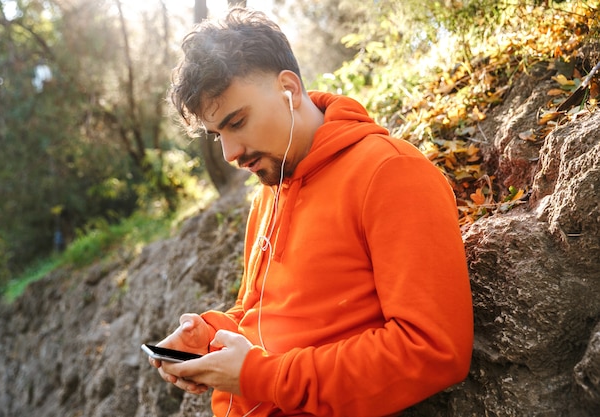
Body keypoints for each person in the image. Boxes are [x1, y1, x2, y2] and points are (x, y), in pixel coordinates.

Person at [148, 7, 474, 417]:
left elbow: (433, 350)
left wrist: (258, 376)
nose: (230, 154)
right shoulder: (268, 194)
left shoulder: (389, 172)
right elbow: (261, 316)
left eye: (238, 121)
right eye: (218, 136)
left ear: (290, 88)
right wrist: (211, 337)